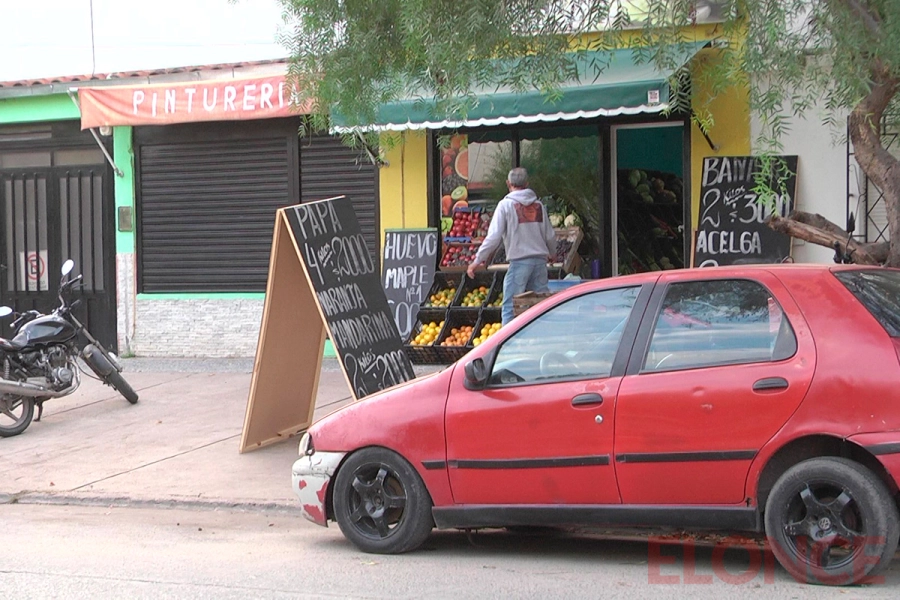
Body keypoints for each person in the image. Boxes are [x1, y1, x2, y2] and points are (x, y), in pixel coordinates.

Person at [467, 167, 556, 325]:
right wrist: (552, 253)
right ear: (527, 183)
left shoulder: (505, 206)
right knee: (540, 306)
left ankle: (506, 346)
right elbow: (550, 235)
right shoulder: (538, 206)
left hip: (519, 262)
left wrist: (477, 260)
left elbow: (494, 237)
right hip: (539, 262)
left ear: (508, 183)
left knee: (510, 307)